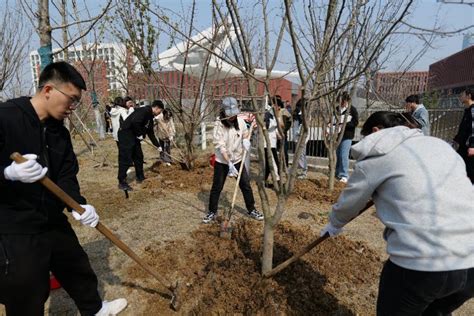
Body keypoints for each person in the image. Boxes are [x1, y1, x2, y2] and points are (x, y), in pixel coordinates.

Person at [0, 62, 127, 315]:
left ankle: (95, 310)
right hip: (15, 226)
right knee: (27, 289)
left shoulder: (59, 132)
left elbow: (67, 174)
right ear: (48, 89)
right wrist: (7, 173)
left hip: (52, 218)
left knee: (76, 266)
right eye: (71, 99)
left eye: (77, 101)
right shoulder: (6, 117)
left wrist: (78, 204)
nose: (73, 107)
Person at [321, 111, 474, 315]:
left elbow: (349, 203)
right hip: (469, 260)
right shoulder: (440, 146)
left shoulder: (378, 158)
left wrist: (334, 223)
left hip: (421, 264)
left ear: (376, 131)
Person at [202, 97, 264, 223]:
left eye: (233, 114)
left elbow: (246, 133)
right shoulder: (219, 124)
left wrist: (246, 140)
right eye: (229, 115)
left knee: (245, 185)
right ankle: (212, 212)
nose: (232, 117)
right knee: (217, 187)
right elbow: (221, 146)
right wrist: (228, 163)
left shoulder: (240, 121)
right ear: (223, 112)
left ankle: (251, 209)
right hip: (222, 161)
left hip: (238, 159)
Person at [117, 100, 163, 190]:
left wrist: (158, 146)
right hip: (126, 134)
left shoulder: (150, 118)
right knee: (126, 158)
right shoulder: (144, 111)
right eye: (159, 111)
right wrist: (139, 134)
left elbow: (151, 133)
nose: (159, 114)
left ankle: (140, 177)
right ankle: (122, 181)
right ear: (156, 108)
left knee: (139, 157)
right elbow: (135, 122)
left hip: (134, 137)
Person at [334, 92, 358, 183]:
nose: (341, 103)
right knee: (338, 155)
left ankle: (344, 174)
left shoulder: (352, 110)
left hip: (347, 135)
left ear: (346, 100)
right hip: (337, 135)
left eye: (342, 101)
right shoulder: (336, 109)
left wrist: (344, 125)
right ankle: (337, 172)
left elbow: (355, 123)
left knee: (344, 155)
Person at [453, 88, 474, 184]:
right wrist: (457, 139)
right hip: (463, 146)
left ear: (469, 96)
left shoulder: (473, 110)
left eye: (462, 95)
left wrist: (473, 146)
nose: (460, 97)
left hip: (469, 147)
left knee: (469, 171)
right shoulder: (468, 110)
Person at [263, 101, 281, 188]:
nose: (278, 108)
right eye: (277, 106)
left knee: (268, 163)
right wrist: (276, 124)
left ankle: (264, 181)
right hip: (267, 143)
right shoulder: (266, 114)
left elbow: (275, 127)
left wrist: (278, 134)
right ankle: (277, 181)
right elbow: (266, 126)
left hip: (272, 143)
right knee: (273, 162)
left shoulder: (272, 115)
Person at [292, 98, 309, 179]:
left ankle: (303, 171)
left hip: (302, 137)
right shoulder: (297, 114)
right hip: (297, 137)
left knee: (302, 154)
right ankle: (300, 170)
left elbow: (303, 126)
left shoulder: (305, 115)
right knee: (298, 154)